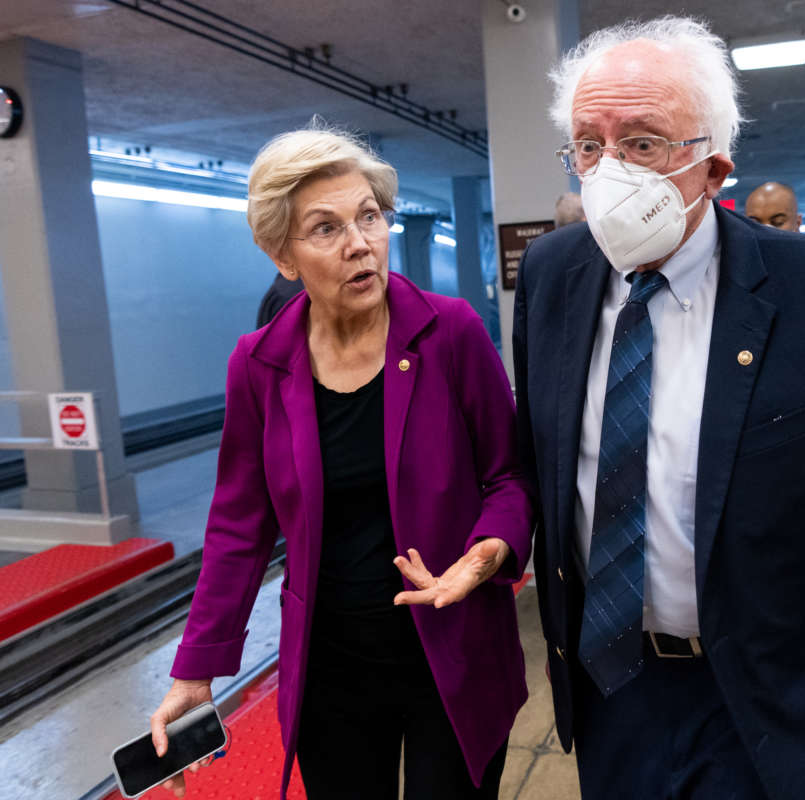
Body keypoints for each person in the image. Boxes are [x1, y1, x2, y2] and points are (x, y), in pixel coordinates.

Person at [515, 16, 805, 800]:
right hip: (613, 689)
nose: (607, 172)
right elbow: (540, 465)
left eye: (641, 143)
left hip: (766, 704)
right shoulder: (551, 277)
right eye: (588, 144)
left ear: (712, 167)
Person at [149, 126, 533, 800]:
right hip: (331, 662)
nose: (360, 243)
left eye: (369, 217)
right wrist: (196, 671)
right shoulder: (260, 363)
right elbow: (239, 528)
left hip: (452, 647)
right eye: (325, 229)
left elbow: (510, 476)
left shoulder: (451, 334)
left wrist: (483, 556)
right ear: (282, 255)